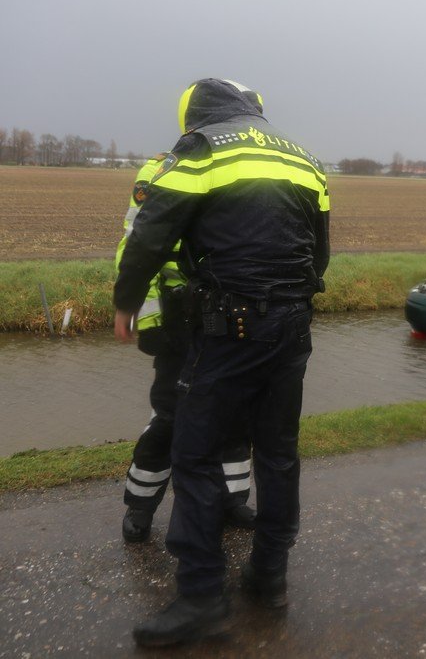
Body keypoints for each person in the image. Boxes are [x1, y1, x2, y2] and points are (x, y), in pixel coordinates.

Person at [115, 78, 330, 647]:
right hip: (294, 325)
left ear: (197, 114)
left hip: (230, 325)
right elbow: (321, 250)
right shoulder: (303, 157)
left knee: (195, 451)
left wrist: (126, 303)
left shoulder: (202, 148)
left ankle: (203, 596)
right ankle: (269, 576)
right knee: (279, 452)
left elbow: (150, 236)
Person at [117, 152, 255, 544]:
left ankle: (232, 500)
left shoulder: (246, 164)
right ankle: (140, 506)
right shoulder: (161, 170)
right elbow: (135, 248)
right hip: (179, 318)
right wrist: (148, 319)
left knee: (234, 414)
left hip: (231, 314)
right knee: (170, 417)